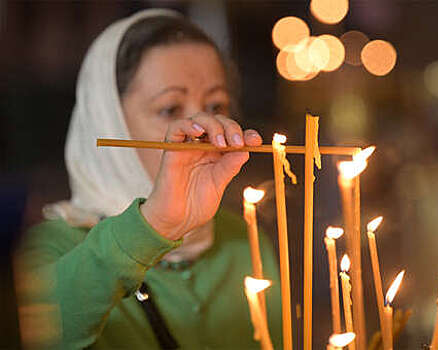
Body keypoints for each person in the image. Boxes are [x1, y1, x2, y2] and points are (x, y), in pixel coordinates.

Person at [15, 8, 282, 350]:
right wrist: (157, 223)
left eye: (216, 106)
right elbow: (37, 337)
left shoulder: (242, 238)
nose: (200, 128)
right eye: (170, 109)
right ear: (109, 121)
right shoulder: (50, 246)